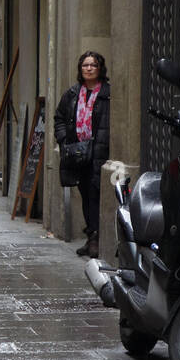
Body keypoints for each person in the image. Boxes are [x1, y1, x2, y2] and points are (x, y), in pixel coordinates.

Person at [54, 50, 111, 258]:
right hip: (78, 154)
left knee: (96, 195)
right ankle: (91, 237)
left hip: (98, 153)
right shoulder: (72, 94)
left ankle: (96, 238)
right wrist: (63, 139)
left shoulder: (107, 94)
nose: (89, 69)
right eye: (85, 65)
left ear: (100, 68)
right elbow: (59, 117)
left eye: (93, 65)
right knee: (86, 195)